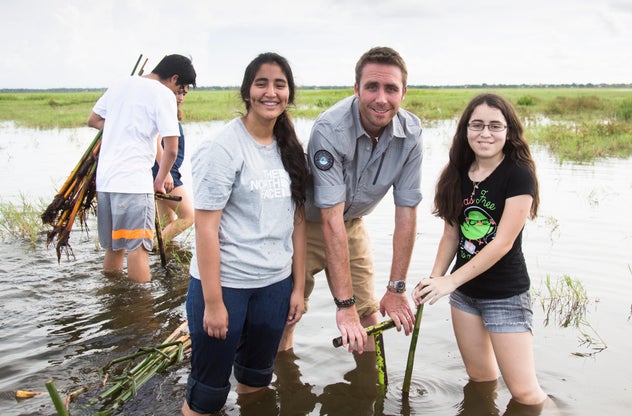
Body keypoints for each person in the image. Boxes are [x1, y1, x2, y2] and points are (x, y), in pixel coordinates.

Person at [182, 53, 308, 416]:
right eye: (262, 83)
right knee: (207, 395)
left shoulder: (290, 150)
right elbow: (205, 228)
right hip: (228, 287)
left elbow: (297, 223)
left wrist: (297, 288)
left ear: (289, 94)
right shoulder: (223, 147)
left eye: (280, 84)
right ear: (247, 92)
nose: (271, 92)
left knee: (256, 381)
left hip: (275, 286)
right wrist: (214, 302)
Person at [279, 46, 423, 354]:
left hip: (352, 222)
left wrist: (396, 288)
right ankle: (282, 382)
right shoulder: (331, 129)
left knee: (367, 313)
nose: (381, 98)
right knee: (289, 313)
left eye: (391, 89)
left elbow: (406, 212)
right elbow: (330, 219)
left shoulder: (411, 133)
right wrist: (343, 305)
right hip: (306, 224)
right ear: (356, 88)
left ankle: (370, 389)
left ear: (404, 92)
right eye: (372, 87)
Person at [412, 93, 548, 409]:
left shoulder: (518, 174)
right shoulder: (457, 172)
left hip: (505, 296)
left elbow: (502, 243)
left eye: (494, 126)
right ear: (465, 130)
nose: (485, 133)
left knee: (525, 394)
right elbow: (451, 234)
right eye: (477, 125)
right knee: (481, 380)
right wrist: (435, 279)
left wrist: (451, 281)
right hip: (465, 297)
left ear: (509, 132)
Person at [87, 54, 197, 283]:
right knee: (139, 250)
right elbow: (171, 149)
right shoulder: (163, 94)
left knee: (114, 248)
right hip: (134, 184)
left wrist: (121, 127)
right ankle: (142, 312)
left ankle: (113, 300)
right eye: (181, 88)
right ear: (174, 78)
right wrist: (161, 178)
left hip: (107, 182)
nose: (179, 94)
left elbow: (94, 119)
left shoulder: (121, 83)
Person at [152, 86, 194, 243]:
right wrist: (166, 174)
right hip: (166, 174)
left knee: (167, 225)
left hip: (162, 173)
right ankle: (151, 247)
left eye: (184, 93)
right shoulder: (164, 113)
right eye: (177, 93)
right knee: (188, 216)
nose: (181, 97)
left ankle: (160, 259)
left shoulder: (169, 113)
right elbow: (156, 142)